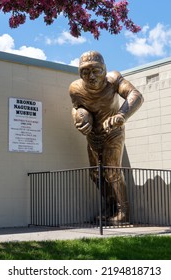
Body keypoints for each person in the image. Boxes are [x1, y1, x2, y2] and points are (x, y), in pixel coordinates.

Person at [69, 51, 144, 224]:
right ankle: (110, 207)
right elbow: (76, 108)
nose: (91, 76)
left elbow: (136, 95)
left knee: (112, 170)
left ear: (105, 69)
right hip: (93, 135)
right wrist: (77, 118)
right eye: (85, 72)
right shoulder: (75, 88)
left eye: (96, 70)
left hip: (113, 132)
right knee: (95, 174)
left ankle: (123, 211)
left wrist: (122, 115)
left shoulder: (113, 80)